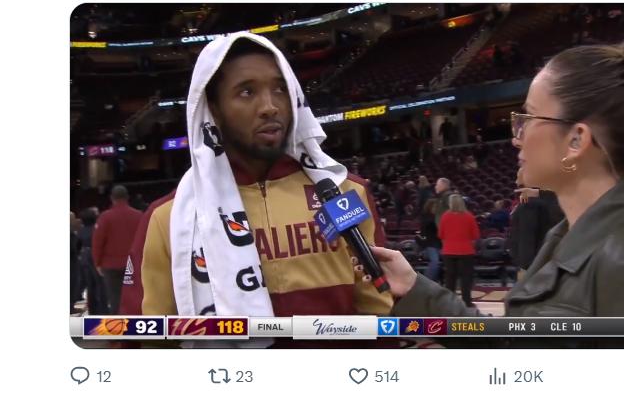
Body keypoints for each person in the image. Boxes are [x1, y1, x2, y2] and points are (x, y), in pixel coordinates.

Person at [354, 22, 624, 317]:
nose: (516, 136)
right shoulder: (564, 237)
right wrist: (416, 289)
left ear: (576, 140)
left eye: (528, 117)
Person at [141, 34, 391, 323]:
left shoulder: (347, 192)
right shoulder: (169, 218)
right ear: (214, 109)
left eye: (280, 89)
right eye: (247, 92)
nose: (270, 107)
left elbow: (380, 313)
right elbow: (149, 334)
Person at [92, 185, 142, 314]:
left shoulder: (105, 217)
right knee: (135, 296)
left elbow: (98, 242)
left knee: (115, 298)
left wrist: (97, 262)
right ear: (127, 197)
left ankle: (118, 324)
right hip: (134, 264)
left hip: (111, 266)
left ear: (111, 198)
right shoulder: (139, 216)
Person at [510, 168, 564, 277]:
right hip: (544, 261)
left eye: (518, 178)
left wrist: (525, 266)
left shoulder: (530, 204)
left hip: (532, 266)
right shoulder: (546, 202)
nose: (516, 182)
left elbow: (527, 237)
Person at [438, 194, 481, 306]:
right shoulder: (469, 216)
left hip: (449, 251)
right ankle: (467, 302)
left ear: (450, 204)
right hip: (466, 251)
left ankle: (450, 303)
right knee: (466, 278)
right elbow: (476, 235)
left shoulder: (445, 216)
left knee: (450, 278)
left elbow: (441, 235)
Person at [78, 208, 109, 315]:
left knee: (90, 284)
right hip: (95, 256)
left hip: (84, 257)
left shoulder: (81, 230)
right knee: (100, 284)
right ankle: (103, 309)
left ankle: (93, 309)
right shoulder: (97, 229)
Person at [416, 198, 441, 282]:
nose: (437, 208)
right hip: (429, 245)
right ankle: (426, 282)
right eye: (435, 207)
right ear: (430, 207)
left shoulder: (438, 218)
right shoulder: (427, 219)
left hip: (439, 245)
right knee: (435, 261)